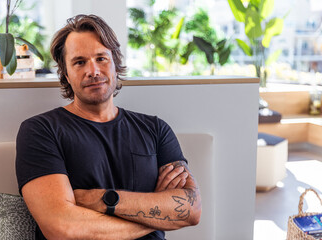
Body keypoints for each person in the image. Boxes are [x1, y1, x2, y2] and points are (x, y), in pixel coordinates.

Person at [16, 14, 201, 240]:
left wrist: (106, 200)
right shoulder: (40, 131)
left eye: (101, 58)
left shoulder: (155, 129)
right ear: (66, 73)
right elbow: (62, 228)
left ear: (115, 64)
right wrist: (157, 216)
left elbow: (190, 210)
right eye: (79, 62)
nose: (93, 71)